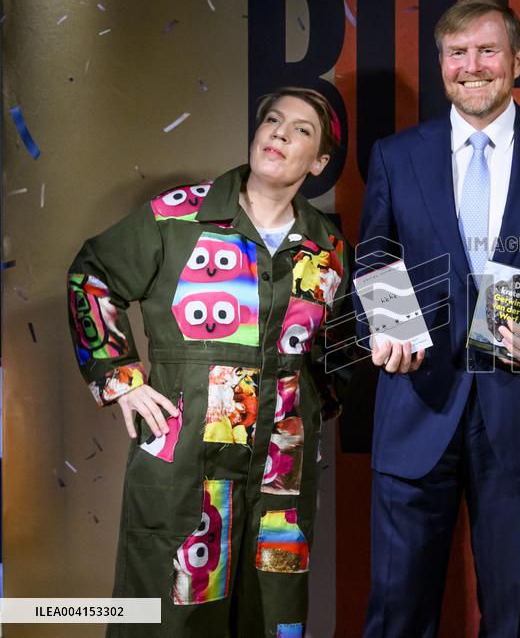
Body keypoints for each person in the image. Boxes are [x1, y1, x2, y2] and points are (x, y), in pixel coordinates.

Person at [355, 0, 520, 637]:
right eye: (456, 53)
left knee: (510, 616)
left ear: (517, 60)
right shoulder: (396, 156)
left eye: (487, 50)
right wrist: (386, 330)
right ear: (441, 63)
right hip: (416, 405)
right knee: (397, 615)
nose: (471, 66)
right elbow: (372, 260)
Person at [67, 86, 349, 637]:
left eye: (301, 129)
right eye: (272, 120)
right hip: (188, 461)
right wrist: (120, 377)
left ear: (318, 162)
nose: (279, 133)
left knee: (272, 612)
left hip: (279, 477)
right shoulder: (178, 216)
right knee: (173, 617)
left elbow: (328, 353)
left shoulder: (328, 247)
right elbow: (93, 274)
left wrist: (313, 411)